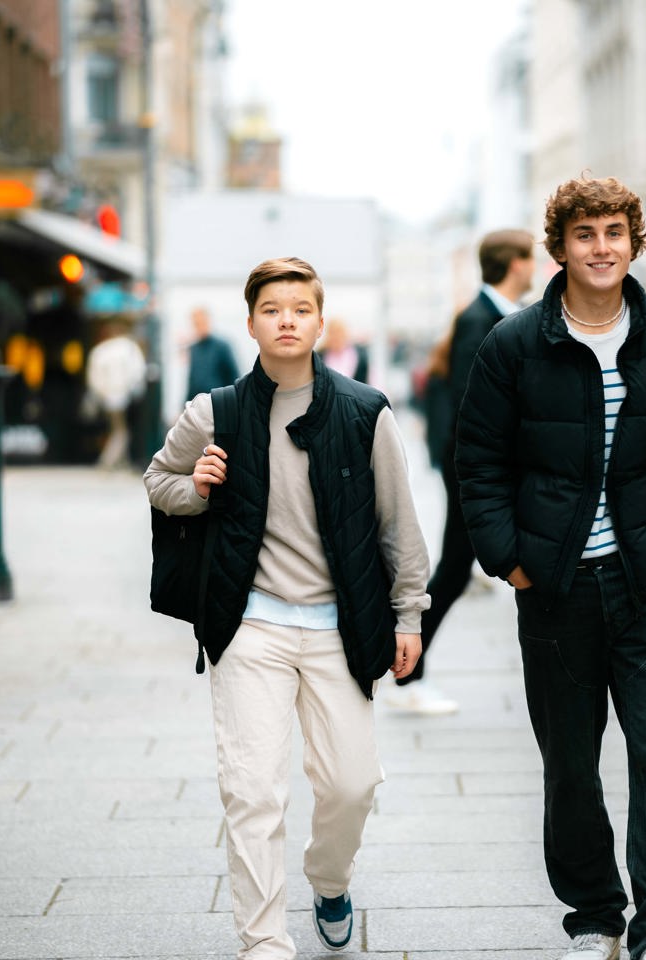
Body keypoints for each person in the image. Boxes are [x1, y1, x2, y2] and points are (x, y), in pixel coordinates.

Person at [456, 177, 646, 960]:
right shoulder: (512, 344)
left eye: (614, 232)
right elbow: (479, 460)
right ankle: (597, 917)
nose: (601, 247)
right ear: (560, 247)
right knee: (570, 764)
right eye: (585, 234)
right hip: (557, 587)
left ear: (633, 242)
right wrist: (512, 562)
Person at [143, 257, 431, 956]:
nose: (287, 320)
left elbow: (399, 523)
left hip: (340, 626)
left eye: (301, 309)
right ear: (251, 324)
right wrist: (198, 488)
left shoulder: (364, 412)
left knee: (351, 784)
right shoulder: (217, 410)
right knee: (252, 791)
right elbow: (159, 478)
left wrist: (409, 614)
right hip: (251, 626)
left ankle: (328, 878)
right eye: (273, 309)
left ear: (319, 321)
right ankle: (264, 942)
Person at [386, 228, 535, 716]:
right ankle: (407, 676)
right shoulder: (481, 320)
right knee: (452, 569)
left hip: (490, 471)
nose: (535, 267)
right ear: (514, 264)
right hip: (481, 472)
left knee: (456, 569)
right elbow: (478, 405)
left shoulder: (494, 316)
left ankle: (407, 674)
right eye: (530, 258)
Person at [85, 321, 146, 469]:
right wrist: (135, 390)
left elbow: (93, 378)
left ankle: (121, 462)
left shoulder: (99, 350)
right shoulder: (129, 348)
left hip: (107, 397)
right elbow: (138, 372)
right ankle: (108, 461)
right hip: (124, 395)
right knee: (121, 431)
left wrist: (101, 394)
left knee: (117, 429)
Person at [185, 306, 240, 402]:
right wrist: (185, 406)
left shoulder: (223, 346)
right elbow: (191, 381)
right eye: (196, 324)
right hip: (198, 405)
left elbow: (234, 377)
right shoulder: (193, 349)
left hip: (219, 403)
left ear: (208, 321)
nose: (199, 326)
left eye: (202, 322)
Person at [320, 317, 369, 383]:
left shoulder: (360, 356)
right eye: (333, 333)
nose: (336, 337)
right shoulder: (321, 356)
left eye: (339, 332)